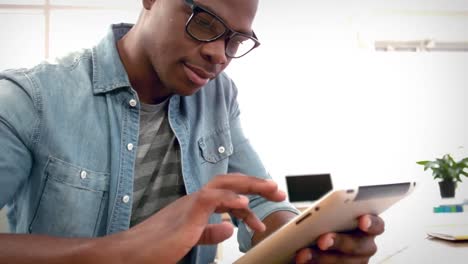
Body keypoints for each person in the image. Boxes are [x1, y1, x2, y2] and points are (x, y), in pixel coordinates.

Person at [0, 0, 385, 263]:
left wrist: (310, 242)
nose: (220, 54)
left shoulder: (218, 96)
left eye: (235, 41)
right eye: (204, 22)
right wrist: (121, 251)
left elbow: (259, 205)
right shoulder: (30, 97)